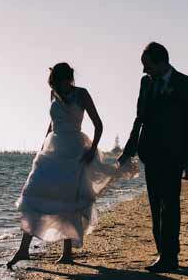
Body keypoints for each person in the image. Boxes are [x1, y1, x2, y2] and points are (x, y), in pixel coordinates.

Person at [9, 63, 136, 268]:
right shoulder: (53, 94)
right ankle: (24, 250)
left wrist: (92, 150)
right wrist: (43, 145)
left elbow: (99, 125)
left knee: (69, 199)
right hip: (52, 151)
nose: (57, 87)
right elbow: (51, 123)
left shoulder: (82, 94)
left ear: (68, 79)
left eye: (60, 82)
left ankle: (67, 253)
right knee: (34, 195)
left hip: (75, 150)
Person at [118, 42, 188, 273]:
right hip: (150, 153)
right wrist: (128, 152)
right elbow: (139, 119)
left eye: (147, 65)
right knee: (156, 206)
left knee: (170, 205)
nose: (144, 71)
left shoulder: (186, 84)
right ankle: (163, 252)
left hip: (175, 154)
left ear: (161, 62)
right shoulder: (146, 83)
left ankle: (169, 256)